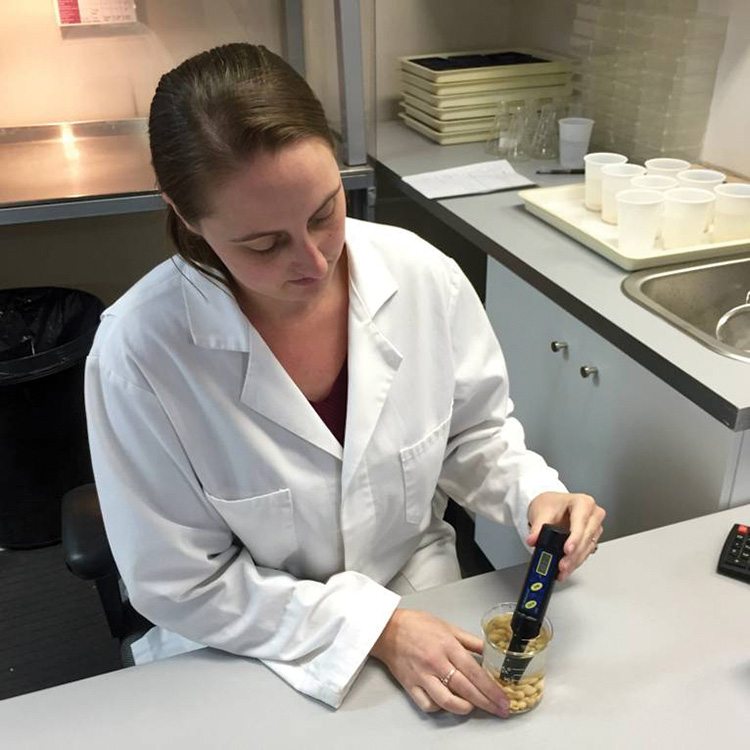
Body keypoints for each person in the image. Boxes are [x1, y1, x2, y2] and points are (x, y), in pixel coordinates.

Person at [85, 43, 605, 718]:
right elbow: (179, 582)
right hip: (248, 643)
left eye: (325, 210)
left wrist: (535, 495)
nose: (313, 260)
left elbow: (473, 434)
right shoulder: (139, 354)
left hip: (421, 593)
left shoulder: (421, 276)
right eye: (265, 243)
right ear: (187, 217)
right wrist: (375, 629)